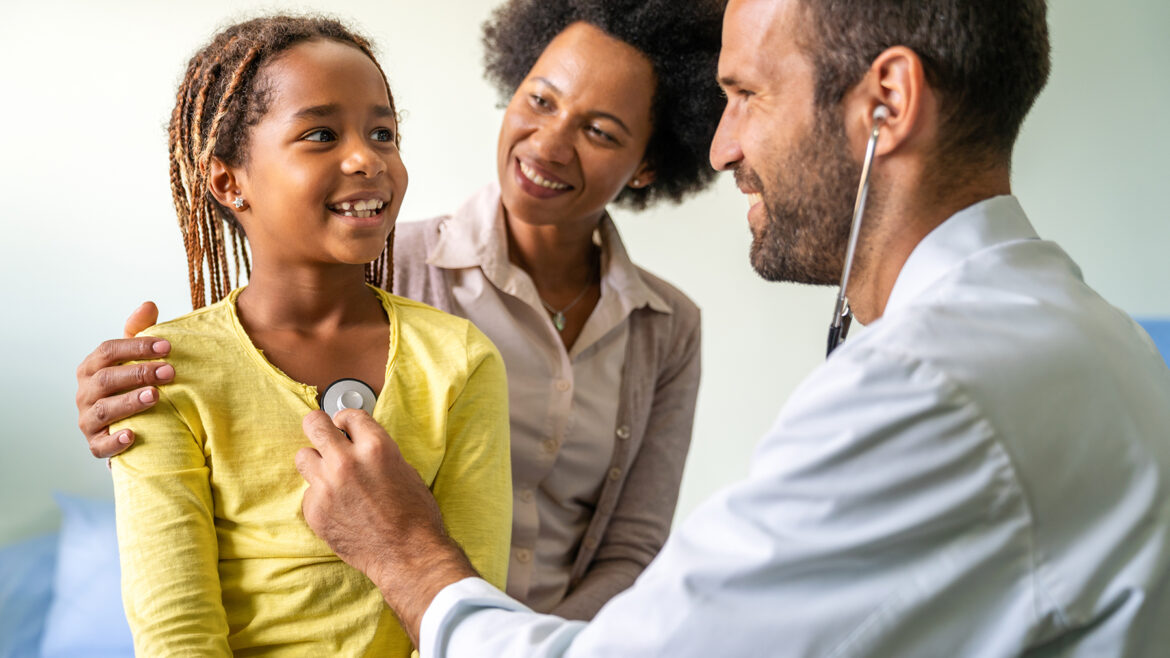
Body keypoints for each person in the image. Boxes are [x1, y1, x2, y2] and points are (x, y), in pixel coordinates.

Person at [295, 0, 1170, 655]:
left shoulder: (928, 386)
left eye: (747, 93)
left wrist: (415, 565)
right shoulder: (1098, 336)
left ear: (889, 101)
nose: (720, 149)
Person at [74, 0, 726, 620]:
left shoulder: (668, 327)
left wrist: (513, 644)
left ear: (647, 164)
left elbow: (633, 548)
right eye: (540, 100)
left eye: (599, 131)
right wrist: (125, 397)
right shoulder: (377, 263)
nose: (550, 144)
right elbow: (241, 388)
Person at [107, 16, 511, 656]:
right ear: (229, 182)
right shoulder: (163, 375)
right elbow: (177, 634)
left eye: (384, 133)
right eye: (321, 134)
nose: (367, 158)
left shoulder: (459, 361)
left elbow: (469, 608)